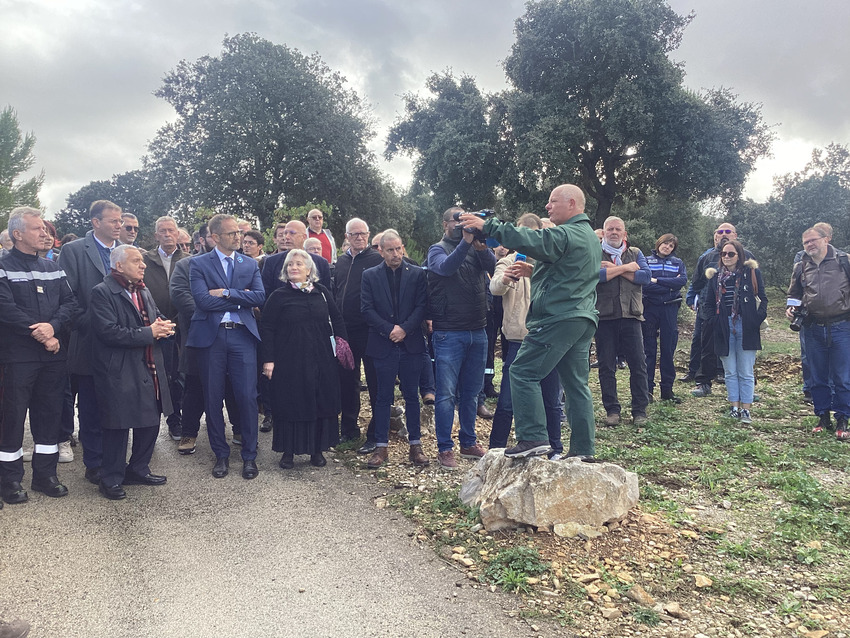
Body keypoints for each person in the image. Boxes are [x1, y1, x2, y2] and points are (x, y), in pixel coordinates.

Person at [460, 184, 599, 458]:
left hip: (558, 318)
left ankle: (533, 438)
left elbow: (533, 240)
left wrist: (490, 226)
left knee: (522, 372)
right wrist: (533, 270)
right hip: (581, 318)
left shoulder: (567, 232)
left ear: (571, 204)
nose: (547, 207)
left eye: (552, 201)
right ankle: (583, 449)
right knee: (575, 385)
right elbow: (569, 273)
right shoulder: (588, 236)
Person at [0, 208, 78, 504]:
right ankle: (10, 480)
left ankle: (45, 475)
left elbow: (70, 303)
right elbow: (5, 308)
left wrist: (54, 328)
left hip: (53, 355)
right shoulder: (3, 267)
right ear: (18, 234)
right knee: (13, 418)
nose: (44, 234)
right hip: (18, 356)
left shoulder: (52, 267)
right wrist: (41, 333)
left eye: (45, 229)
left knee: (49, 416)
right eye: (37, 229)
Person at [90, 245, 174, 499]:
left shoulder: (142, 289)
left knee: (150, 419)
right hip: (120, 368)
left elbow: (155, 316)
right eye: (136, 260)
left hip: (149, 363)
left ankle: (138, 468)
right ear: (118, 266)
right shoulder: (102, 292)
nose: (143, 265)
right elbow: (109, 332)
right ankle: (111, 478)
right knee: (118, 424)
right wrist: (150, 333)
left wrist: (164, 325)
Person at [187, 214, 265, 480]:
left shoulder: (249, 263)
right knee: (212, 397)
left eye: (239, 233)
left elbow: (260, 296)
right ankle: (220, 455)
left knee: (247, 397)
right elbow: (202, 302)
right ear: (215, 237)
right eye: (232, 233)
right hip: (212, 338)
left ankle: (250, 456)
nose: (238, 237)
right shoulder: (198, 264)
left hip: (242, 336)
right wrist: (241, 299)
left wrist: (227, 293)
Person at [487, 213, 564, 458]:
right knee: (508, 400)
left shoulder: (551, 260)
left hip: (548, 337)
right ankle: (496, 449)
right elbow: (495, 287)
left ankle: (555, 448)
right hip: (519, 339)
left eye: (531, 235)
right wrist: (507, 277)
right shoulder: (508, 260)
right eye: (522, 234)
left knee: (551, 398)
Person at [57, 200, 123, 485]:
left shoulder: (125, 252)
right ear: (96, 222)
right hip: (89, 340)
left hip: (123, 341)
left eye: (120, 221)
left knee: (119, 405)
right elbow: (66, 296)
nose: (119, 225)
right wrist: (93, 322)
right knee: (92, 406)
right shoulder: (73, 251)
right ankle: (94, 463)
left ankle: (117, 461)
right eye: (113, 221)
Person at [260, 249, 346, 468]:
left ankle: (316, 451)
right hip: (290, 360)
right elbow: (267, 328)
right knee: (291, 402)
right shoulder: (278, 296)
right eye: (290, 265)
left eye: (298, 264)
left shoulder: (322, 292)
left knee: (319, 402)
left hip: (322, 358)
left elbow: (336, 318)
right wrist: (268, 360)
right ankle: (288, 451)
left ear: (309, 270)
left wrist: (341, 345)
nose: (293, 268)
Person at [427, 207, 496, 468]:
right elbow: (445, 270)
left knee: (472, 392)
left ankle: (468, 441)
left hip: (478, 329)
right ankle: (445, 447)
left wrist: (480, 246)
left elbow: (493, 268)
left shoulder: (475, 246)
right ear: (445, 224)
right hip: (449, 331)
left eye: (463, 220)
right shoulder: (438, 249)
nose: (460, 225)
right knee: (445, 394)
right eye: (456, 221)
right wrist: (465, 243)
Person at [360, 230, 430, 468]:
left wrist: (405, 329)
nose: (396, 254)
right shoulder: (369, 275)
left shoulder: (418, 274)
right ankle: (381, 447)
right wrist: (390, 329)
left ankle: (415, 445)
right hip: (382, 343)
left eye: (399, 248)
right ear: (380, 251)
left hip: (411, 344)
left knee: (411, 395)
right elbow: (366, 309)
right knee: (382, 397)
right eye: (390, 250)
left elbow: (422, 306)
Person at [787, 225, 850, 439]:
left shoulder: (844, 261)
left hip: (842, 325)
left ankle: (843, 418)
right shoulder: (801, 265)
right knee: (817, 376)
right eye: (806, 242)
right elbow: (794, 293)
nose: (809, 245)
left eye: (813, 240)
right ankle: (822, 417)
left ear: (826, 239)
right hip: (813, 327)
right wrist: (792, 308)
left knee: (842, 376)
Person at [595, 216, 651, 426]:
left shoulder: (635, 253)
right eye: (610, 229)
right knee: (606, 366)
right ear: (604, 232)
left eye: (618, 229)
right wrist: (627, 268)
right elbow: (595, 275)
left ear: (625, 234)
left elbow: (645, 277)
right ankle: (612, 411)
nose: (614, 232)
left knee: (638, 364)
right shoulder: (595, 252)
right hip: (604, 317)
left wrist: (611, 269)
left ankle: (639, 411)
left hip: (632, 315)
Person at [334, 218, 384, 448]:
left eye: (363, 234)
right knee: (347, 380)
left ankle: (376, 433)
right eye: (354, 234)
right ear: (346, 237)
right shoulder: (341, 262)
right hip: (345, 330)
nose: (359, 237)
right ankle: (349, 428)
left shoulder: (376, 260)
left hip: (370, 329)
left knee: (375, 381)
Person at [704, 239, 766, 423]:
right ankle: (734, 407)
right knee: (729, 371)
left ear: (739, 255)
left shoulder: (751, 273)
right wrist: (714, 321)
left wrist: (755, 320)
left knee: (746, 371)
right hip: (723, 327)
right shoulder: (715, 277)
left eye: (731, 254)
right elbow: (707, 304)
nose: (727, 257)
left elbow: (763, 299)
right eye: (724, 254)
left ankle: (746, 410)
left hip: (746, 326)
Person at [688, 223, 754, 397]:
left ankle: (746, 388)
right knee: (707, 348)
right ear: (715, 235)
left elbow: (756, 286)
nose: (724, 235)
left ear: (735, 235)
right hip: (712, 313)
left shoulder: (748, 257)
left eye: (728, 232)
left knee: (742, 350)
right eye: (720, 231)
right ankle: (703, 383)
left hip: (740, 314)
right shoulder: (707, 258)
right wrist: (706, 307)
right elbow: (697, 283)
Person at [142, 216, 187, 441]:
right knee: (153, 376)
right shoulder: (144, 260)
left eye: (171, 230)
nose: (167, 234)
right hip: (152, 326)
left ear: (178, 234)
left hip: (181, 328)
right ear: (156, 235)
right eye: (163, 231)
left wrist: (177, 322)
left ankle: (175, 420)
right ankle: (150, 424)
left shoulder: (190, 260)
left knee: (178, 375)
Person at [642, 234, 687, 403]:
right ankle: (647, 391)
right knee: (649, 350)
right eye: (665, 243)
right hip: (649, 308)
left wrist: (657, 280)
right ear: (659, 243)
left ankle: (667, 390)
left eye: (671, 245)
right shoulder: (645, 261)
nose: (667, 247)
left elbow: (681, 281)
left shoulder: (678, 263)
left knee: (668, 350)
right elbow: (645, 283)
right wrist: (668, 285)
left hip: (670, 308)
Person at [263, 220, 332, 292]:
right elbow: (266, 293)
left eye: (292, 233)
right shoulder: (271, 262)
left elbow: (327, 294)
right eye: (285, 233)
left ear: (304, 237)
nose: (286, 237)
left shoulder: (320, 263)